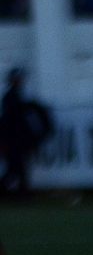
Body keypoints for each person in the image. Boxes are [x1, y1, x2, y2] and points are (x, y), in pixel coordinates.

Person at [1, 67, 51, 198]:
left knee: (18, 168)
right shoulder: (11, 98)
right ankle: (22, 192)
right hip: (13, 140)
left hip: (16, 140)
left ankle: (23, 192)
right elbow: (12, 119)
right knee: (16, 168)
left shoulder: (16, 97)